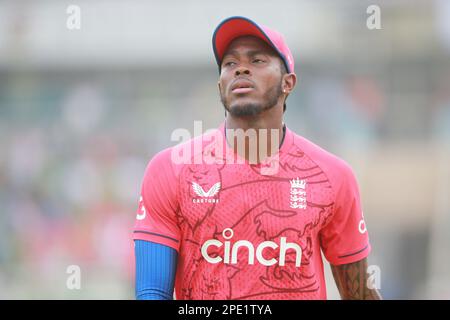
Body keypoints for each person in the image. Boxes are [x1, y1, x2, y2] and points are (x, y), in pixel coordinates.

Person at [133, 16, 382, 300]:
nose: (241, 69)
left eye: (257, 61)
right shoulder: (171, 170)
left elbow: (359, 293)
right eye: (230, 63)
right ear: (219, 86)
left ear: (288, 82)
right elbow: (152, 293)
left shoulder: (332, 176)